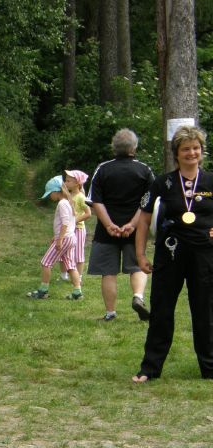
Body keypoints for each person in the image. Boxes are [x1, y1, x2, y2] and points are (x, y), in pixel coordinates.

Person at [132, 125, 213, 382]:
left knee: (206, 312)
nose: (192, 153)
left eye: (196, 148)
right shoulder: (162, 183)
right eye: (186, 149)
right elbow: (144, 221)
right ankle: (150, 369)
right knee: (162, 311)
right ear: (176, 153)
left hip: (205, 256)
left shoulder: (210, 181)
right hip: (170, 254)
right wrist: (140, 255)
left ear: (201, 151)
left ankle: (209, 368)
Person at [87, 129, 154, 321]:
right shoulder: (144, 170)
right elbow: (148, 202)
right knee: (137, 266)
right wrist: (132, 224)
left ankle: (110, 313)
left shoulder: (103, 169)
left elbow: (95, 201)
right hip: (136, 230)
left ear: (113, 147)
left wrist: (109, 225)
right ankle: (138, 297)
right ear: (134, 147)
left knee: (108, 272)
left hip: (106, 231)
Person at [27, 175, 83, 300]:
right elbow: (70, 223)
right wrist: (56, 236)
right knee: (70, 265)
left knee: (46, 262)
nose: (49, 196)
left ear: (56, 191)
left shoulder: (62, 204)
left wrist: (60, 239)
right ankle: (77, 292)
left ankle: (43, 291)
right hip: (71, 237)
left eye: (50, 193)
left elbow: (65, 223)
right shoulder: (68, 202)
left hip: (65, 238)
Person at [65, 169, 92, 280]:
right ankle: (65, 274)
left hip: (78, 229)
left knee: (78, 254)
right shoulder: (68, 195)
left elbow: (88, 213)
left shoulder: (81, 197)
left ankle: (79, 276)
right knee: (66, 251)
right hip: (68, 229)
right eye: (65, 180)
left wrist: (74, 221)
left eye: (68, 181)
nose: (65, 183)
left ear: (77, 183)